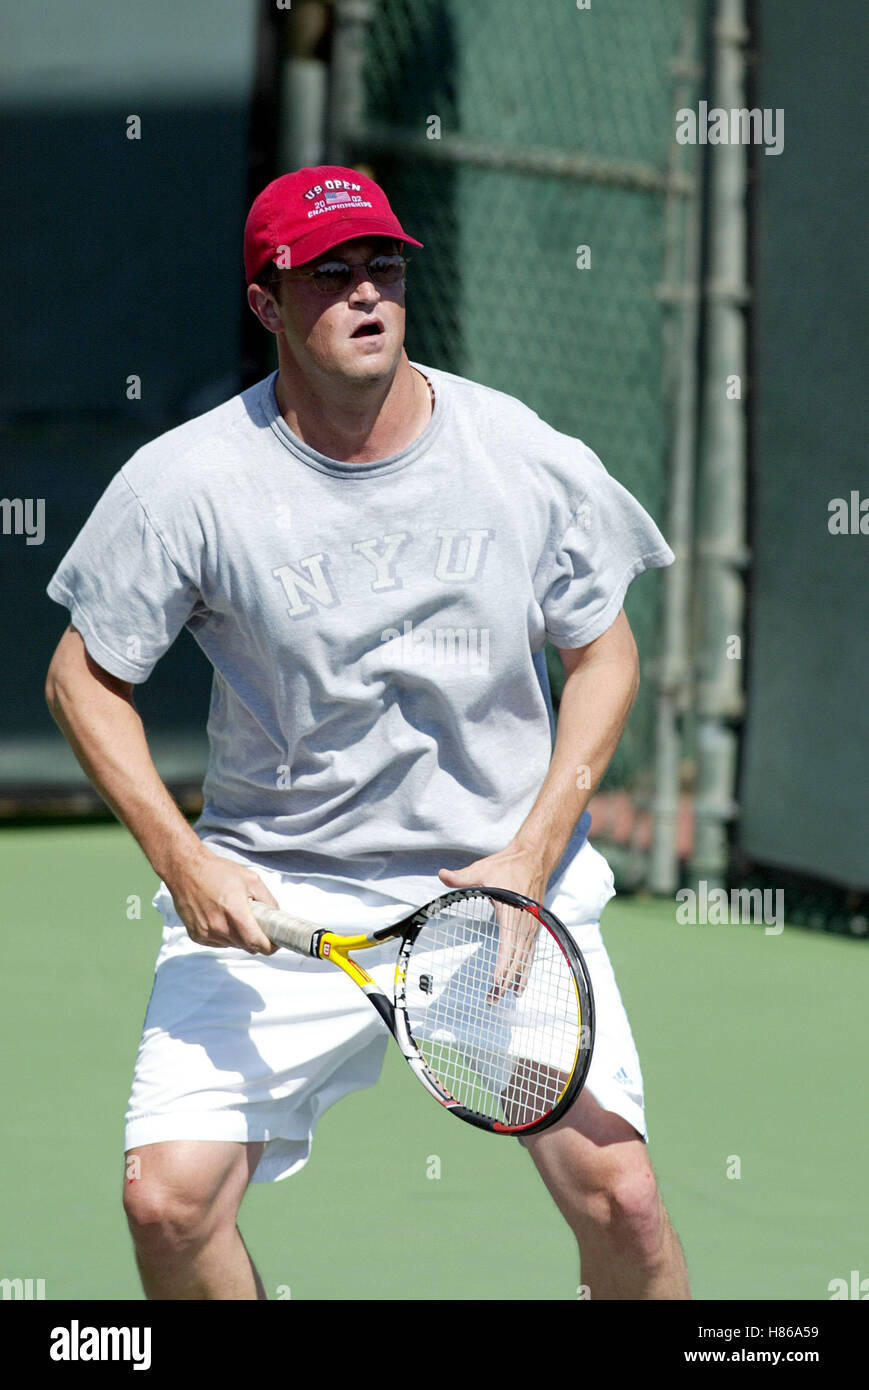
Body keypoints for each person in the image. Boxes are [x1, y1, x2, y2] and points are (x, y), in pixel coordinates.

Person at [46, 164, 690, 1300]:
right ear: (266, 304)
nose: (363, 293)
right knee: (166, 1201)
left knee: (622, 1201)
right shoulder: (185, 484)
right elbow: (80, 682)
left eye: (381, 266)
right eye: (328, 273)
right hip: (279, 891)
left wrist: (534, 853)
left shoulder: (520, 455)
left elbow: (604, 654)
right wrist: (181, 857)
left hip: (499, 887)